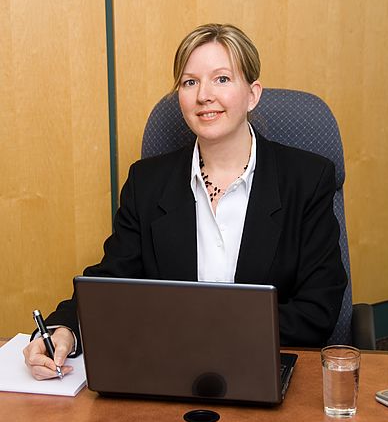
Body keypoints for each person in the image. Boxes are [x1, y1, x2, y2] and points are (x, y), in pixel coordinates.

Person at [23, 23, 347, 380]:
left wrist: (203, 329)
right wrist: (65, 328)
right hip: (171, 373)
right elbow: (112, 283)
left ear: (253, 94)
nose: (204, 95)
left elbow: (318, 309)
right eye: (190, 82)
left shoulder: (307, 178)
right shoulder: (147, 183)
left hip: (268, 369)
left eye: (222, 79)